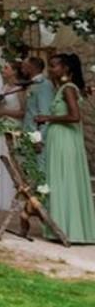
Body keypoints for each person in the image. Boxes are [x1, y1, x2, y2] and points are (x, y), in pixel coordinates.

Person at [35, 53, 95, 244]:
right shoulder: (63, 87)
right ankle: (63, 227)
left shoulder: (68, 88)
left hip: (65, 140)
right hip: (61, 139)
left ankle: (69, 228)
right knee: (62, 181)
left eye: (54, 66)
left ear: (65, 69)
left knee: (64, 180)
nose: (51, 69)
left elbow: (75, 116)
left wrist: (48, 118)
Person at [0, 59, 27, 213]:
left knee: (13, 162)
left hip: (14, 129)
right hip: (1, 128)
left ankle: (16, 198)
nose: (3, 69)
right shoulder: (4, 88)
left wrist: (3, 112)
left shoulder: (20, 89)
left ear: (15, 71)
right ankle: (0, 198)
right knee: (0, 160)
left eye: (6, 67)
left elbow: (23, 112)